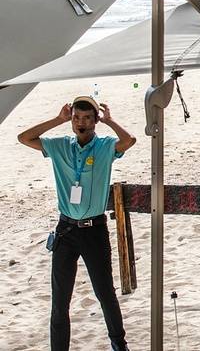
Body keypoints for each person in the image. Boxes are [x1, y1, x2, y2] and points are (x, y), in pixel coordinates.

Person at [18, 97, 136, 351]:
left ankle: (119, 344)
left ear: (95, 121)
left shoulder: (104, 146)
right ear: (71, 120)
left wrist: (111, 121)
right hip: (66, 230)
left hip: (94, 230)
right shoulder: (60, 145)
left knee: (105, 293)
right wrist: (56, 120)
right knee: (60, 300)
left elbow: (129, 141)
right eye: (76, 118)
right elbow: (24, 138)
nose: (81, 123)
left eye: (87, 118)